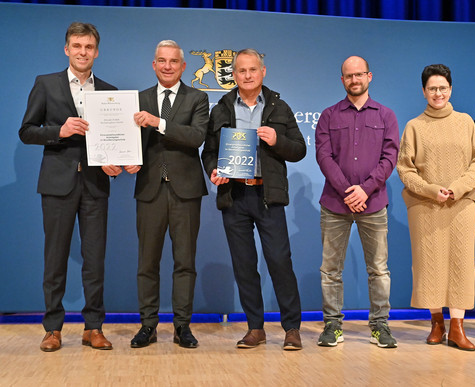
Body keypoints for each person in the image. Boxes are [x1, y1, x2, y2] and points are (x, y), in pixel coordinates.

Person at [19, 22, 121, 352]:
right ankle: (52, 328)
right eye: (77, 46)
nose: (82, 52)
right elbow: (27, 131)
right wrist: (59, 131)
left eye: (88, 47)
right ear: (67, 49)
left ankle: (93, 327)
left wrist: (115, 164)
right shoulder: (45, 84)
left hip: (95, 185)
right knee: (56, 258)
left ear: (97, 51)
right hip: (57, 183)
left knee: (95, 260)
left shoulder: (109, 91)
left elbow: (115, 143)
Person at [201, 48, 306, 351]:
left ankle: (291, 328)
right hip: (234, 196)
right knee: (244, 265)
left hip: (267, 195)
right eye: (241, 71)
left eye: (252, 70)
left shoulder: (279, 107)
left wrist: (277, 140)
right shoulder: (221, 108)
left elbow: (299, 149)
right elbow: (209, 151)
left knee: (279, 262)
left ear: (263, 72)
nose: (247, 75)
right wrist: (213, 171)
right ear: (233, 75)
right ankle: (255, 328)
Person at [397, 64, 475, 351]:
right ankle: (437, 322)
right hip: (426, 206)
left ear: (451, 90)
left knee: (461, 264)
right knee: (430, 264)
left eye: (443, 88)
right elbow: (405, 170)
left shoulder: (465, 122)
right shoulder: (414, 126)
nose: (438, 93)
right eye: (432, 88)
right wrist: (431, 190)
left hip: (461, 205)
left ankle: (457, 327)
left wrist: (457, 189)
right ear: (424, 91)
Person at [128, 40, 209, 349]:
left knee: (184, 262)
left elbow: (196, 137)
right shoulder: (138, 99)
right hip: (149, 190)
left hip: (185, 192)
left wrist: (158, 122)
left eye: (173, 61)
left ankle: (182, 327)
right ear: (153, 64)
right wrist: (127, 158)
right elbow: (128, 140)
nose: (167, 66)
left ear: (183, 66)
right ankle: (148, 325)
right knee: (146, 263)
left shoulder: (198, 98)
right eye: (161, 60)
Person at [315, 56, 399, 348]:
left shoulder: (386, 115)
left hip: (373, 203)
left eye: (359, 75)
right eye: (348, 76)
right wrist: (347, 191)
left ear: (369, 76)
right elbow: (324, 157)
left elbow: (390, 158)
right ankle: (332, 326)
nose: (354, 80)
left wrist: (364, 190)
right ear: (342, 80)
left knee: (378, 269)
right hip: (334, 204)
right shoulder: (328, 115)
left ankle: (380, 326)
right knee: (330, 270)